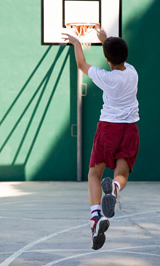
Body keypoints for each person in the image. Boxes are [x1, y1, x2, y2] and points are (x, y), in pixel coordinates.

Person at [62, 28, 140, 250]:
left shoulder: (106, 78)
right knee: (121, 174)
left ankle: (96, 217)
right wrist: (105, 40)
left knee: (95, 173)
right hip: (130, 129)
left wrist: (77, 43)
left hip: (108, 129)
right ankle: (115, 188)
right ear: (125, 56)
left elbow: (82, 65)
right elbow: (116, 58)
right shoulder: (133, 72)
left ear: (107, 59)